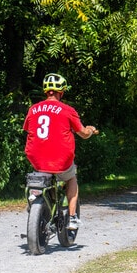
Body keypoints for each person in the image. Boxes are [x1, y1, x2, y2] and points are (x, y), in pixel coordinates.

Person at [23, 73, 98, 230]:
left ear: (46, 91)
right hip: (61, 161)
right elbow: (83, 134)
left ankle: (37, 203)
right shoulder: (67, 110)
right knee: (72, 179)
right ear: (61, 92)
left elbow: (29, 130)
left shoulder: (33, 109)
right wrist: (90, 130)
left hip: (37, 160)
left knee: (41, 176)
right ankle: (71, 218)